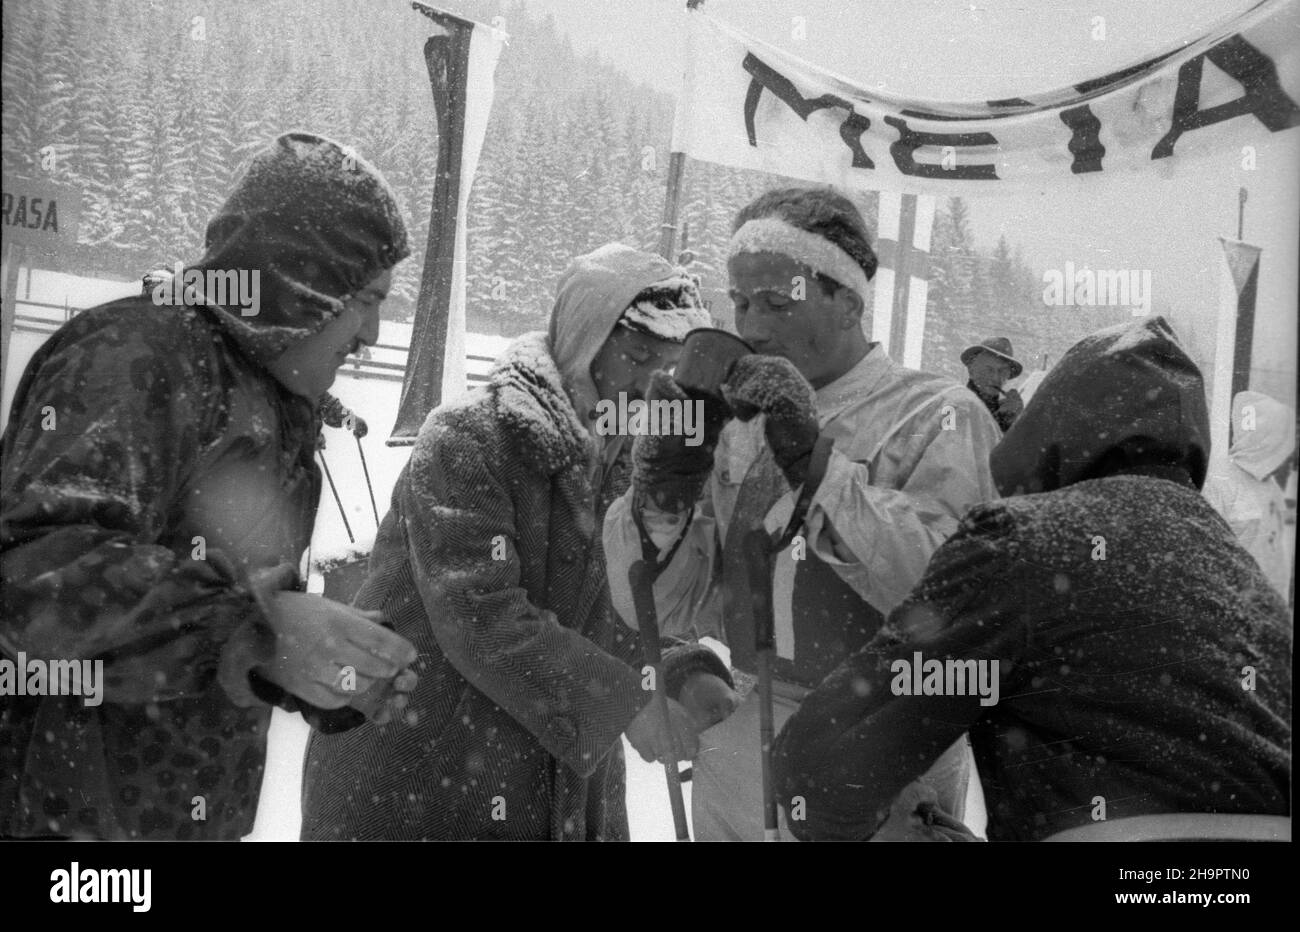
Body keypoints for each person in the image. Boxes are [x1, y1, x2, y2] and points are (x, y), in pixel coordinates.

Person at [1, 132, 418, 840]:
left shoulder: (275, 407)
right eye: (364, 299)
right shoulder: (141, 356)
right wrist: (258, 632)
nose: (373, 333)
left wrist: (314, 668)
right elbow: (34, 571)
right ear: (301, 283)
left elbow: (225, 627)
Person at [773, 316, 1292, 841]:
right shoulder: (1244, 581)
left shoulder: (1025, 539)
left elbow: (828, 756)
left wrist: (866, 821)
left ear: (1049, 427)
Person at [603, 187, 1004, 841]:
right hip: (743, 739)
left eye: (777, 302)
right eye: (739, 302)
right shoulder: (736, 423)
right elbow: (663, 606)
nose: (752, 328)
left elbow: (954, 600)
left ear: (848, 300)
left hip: (887, 746)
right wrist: (662, 497)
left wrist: (813, 470)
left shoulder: (940, 414)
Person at [300, 243, 732, 840]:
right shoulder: (470, 440)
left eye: (670, 367)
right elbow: (479, 616)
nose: (651, 384)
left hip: (553, 785)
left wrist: (682, 670)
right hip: (423, 770)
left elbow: (638, 603)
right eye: (636, 356)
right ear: (585, 341)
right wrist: (625, 705)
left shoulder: (640, 465)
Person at [1203, 390, 1296, 602]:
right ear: (1268, 441)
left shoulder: (1269, 483)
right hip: (1238, 609)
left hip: (1271, 607)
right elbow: (1208, 554)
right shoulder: (1219, 483)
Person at [961, 337, 1024, 432]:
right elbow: (950, 441)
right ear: (971, 370)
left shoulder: (1006, 411)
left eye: (1002, 371)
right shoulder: (954, 404)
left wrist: (1016, 421)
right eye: (989, 370)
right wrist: (999, 419)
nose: (996, 378)